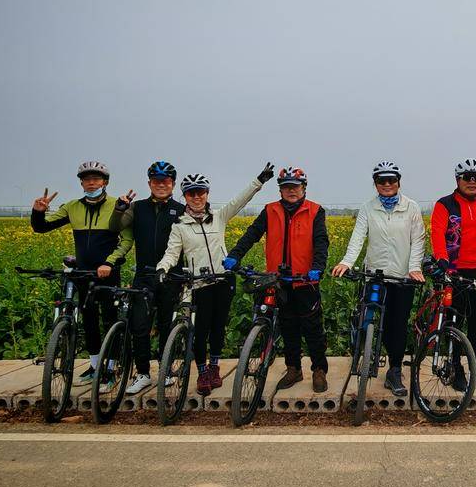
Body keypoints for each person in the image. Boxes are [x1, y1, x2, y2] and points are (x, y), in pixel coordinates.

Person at [156, 163, 273, 396]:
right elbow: (171, 253)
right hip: (200, 283)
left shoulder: (218, 217)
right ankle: (202, 372)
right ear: (185, 196)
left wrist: (259, 180)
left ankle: (214, 368)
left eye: (200, 192)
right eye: (191, 193)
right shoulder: (180, 226)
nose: (196, 197)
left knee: (218, 327)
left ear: (207, 194)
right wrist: (163, 267)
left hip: (223, 279)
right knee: (201, 330)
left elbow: (239, 201)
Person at [223, 167, 330, 393]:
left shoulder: (315, 211)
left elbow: (321, 242)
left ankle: (319, 370)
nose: (291, 190)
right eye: (286, 187)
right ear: (280, 190)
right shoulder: (270, 210)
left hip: (305, 280)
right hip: (279, 280)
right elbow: (251, 234)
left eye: (295, 186)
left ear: (304, 188)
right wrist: (235, 255)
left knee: (312, 328)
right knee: (288, 326)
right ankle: (293, 369)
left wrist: (317, 268)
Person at [30, 161, 133, 385]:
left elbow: (126, 241)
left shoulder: (117, 205)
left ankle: (111, 368)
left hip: (107, 271)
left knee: (109, 318)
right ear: (81, 183)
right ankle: (94, 366)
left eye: (96, 179)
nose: (91, 183)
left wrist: (110, 263)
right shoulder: (72, 207)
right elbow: (41, 227)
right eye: (86, 179)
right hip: (83, 271)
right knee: (88, 319)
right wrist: (38, 212)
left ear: (105, 182)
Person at [331, 161, 426, 397]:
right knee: (366, 318)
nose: (387, 184)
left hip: (402, 277)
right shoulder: (368, 208)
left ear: (398, 182)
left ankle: (395, 370)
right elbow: (358, 237)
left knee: (397, 325)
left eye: (391, 180)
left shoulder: (411, 207)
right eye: (381, 180)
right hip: (375, 275)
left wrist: (414, 268)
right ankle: (364, 350)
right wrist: (347, 261)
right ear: (375, 184)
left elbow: (418, 240)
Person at [107, 161, 185, 395]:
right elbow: (115, 227)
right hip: (144, 275)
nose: (161, 185)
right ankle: (142, 373)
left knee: (166, 325)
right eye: (156, 181)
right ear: (149, 183)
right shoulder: (137, 207)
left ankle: (165, 369)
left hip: (171, 276)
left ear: (173, 184)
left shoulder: (181, 210)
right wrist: (120, 208)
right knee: (139, 326)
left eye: (166, 181)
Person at [431, 159, 476, 389]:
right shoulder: (445, 204)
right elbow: (437, 233)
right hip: (455, 272)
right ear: (458, 180)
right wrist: (442, 260)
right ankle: (456, 366)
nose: (472, 182)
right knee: (455, 322)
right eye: (467, 177)